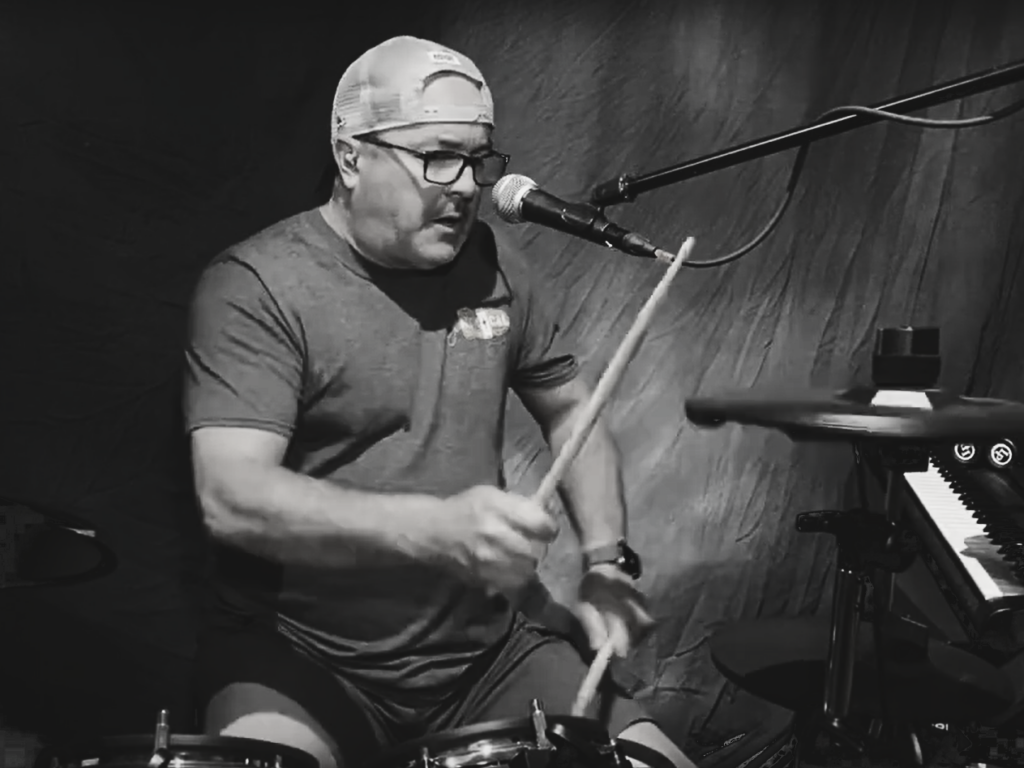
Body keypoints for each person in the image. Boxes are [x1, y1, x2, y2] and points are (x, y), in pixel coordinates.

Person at [184, 35, 695, 768]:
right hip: (299, 659)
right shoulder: (255, 287)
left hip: (487, 657)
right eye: (438, 156)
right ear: (352, 156)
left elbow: (572, 411)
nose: (466, 185)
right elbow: (232, 497)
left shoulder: (493, 265)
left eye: (480, 159)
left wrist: (607, 562)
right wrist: (433, 527)